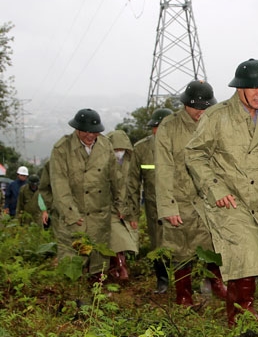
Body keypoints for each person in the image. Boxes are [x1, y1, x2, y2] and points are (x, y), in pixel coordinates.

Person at [185, 58, 258, 327]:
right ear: (240, 88)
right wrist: (215, 188)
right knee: (246, 255)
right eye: (255, 88)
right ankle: (242, 315)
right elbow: (194, 154)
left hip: (255, 202)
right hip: (228, 200)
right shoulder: (217, 116)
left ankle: (237, 313)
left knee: (250, 255)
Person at [156, 80, 227, 306]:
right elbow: (164, 168)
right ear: (186, 104)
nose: (200, 112)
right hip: (181, 197)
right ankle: (183, 294)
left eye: (205, 107)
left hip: (209, 197)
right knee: (180, 249)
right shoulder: (169, 127)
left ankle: (214, 284)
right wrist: (168, 205)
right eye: (196, 107)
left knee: (215, 244)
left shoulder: (214, 123)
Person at [49, 109, 116, 281]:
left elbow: (116, 178)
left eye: (94, 132)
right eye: (86, 131)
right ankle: (75, 299)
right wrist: (71, 214)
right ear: (77, 129)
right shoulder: (62, 149)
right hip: (74, 214)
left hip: (99, 214)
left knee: (98, 261)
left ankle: (97, 298)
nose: (90, 135)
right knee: (72, 262)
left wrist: (121, 205)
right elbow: (59, 186)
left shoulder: (106, 145)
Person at [131, 107, 173, 294]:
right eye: (157, 127)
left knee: (182, 243)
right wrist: (132, 211)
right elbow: (132, 182)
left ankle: (185, 282)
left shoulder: (183, 145)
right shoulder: (141, 149)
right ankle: (162, 280)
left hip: (179, 203)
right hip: (153, 205)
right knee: (157, 243)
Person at [107, 129, 139, 282]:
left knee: (126, 239)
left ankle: (120, 267)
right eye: (116, 149)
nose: (118, 152)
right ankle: (119, 268)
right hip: (109, 208)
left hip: (128, 208)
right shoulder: (104, 162)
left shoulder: (131, 162)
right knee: (115, 239)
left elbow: (134, 187)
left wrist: (130, 210)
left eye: (121, 149)